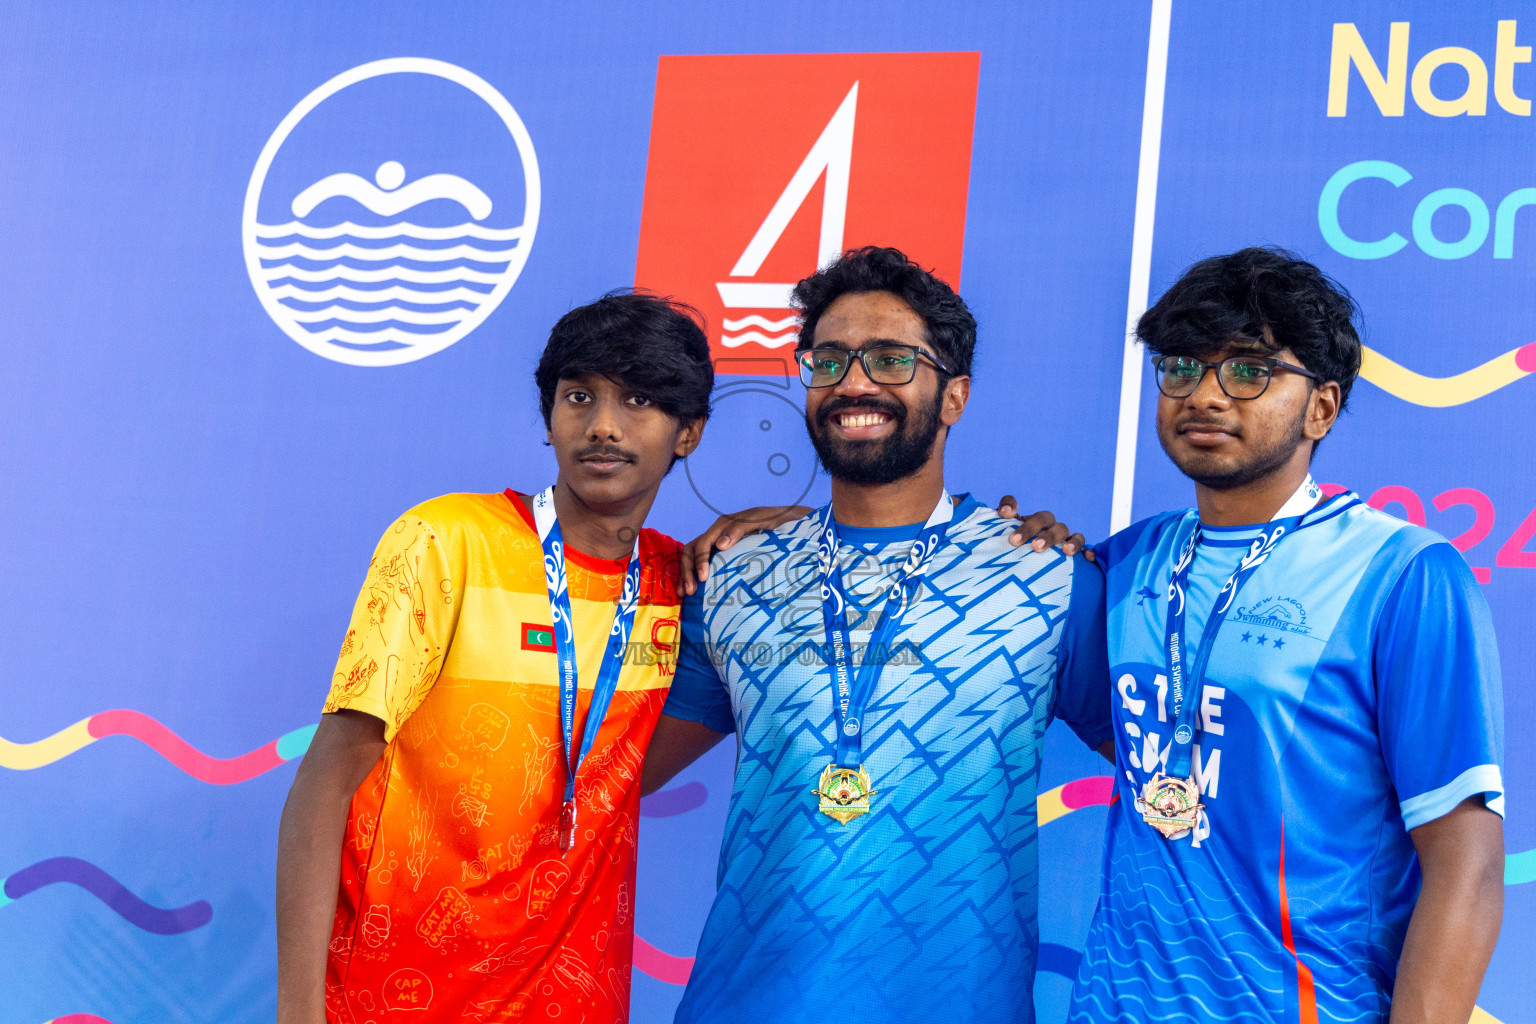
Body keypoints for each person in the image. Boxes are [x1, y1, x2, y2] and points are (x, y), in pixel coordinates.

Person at [641, 246, 1113, 1024]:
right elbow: (609, 778)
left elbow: (1177, 788)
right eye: (828, 359)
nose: (855, 382)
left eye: (891, 358)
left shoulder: (1049, 575)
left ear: (953, 395)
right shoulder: (733, 573)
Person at [1058, 248, 1505, 1023]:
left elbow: (1466, 865)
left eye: (1248, 372)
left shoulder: (1401, 575)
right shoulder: (1120, 564)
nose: (1205, 395)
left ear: (1322, 407)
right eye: (1181, 368)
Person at [274, 291, 712, 1024]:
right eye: (579, 397)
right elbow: (327, 778)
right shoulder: (447, 541)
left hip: (576, 1004)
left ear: (688, 432)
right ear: (548, 419)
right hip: (391, 997)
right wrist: (296, 1011)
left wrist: (769, 521)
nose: (603, 426)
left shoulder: (686, 586)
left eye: (638, 400)